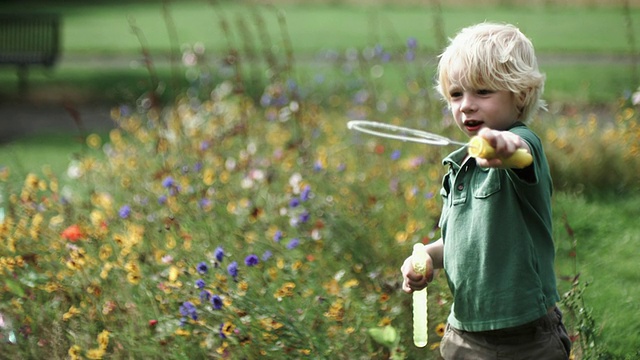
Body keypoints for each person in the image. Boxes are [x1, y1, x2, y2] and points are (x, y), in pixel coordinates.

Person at [400, 22, 572, 359]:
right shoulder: (459, 167)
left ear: (519, 94)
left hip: (526, 339)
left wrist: (499, 145)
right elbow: (460, 242)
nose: (466, 105)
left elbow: (517, 153)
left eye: (482, 92)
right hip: (464, 334)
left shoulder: (523, 146)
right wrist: (426, 257)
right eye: (456, 94)